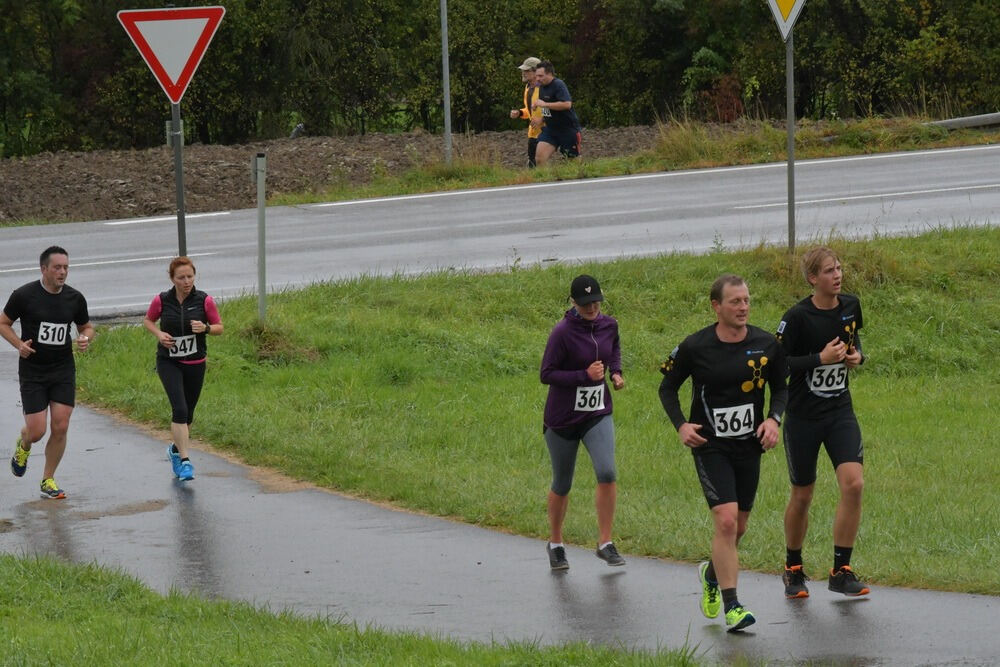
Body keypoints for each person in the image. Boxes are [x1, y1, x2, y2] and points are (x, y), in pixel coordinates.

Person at [658, 274, 786, 632]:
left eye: (746, 300)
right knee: (726, 520)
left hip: (749, 445)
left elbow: (781, 388)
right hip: (710, 445)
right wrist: (682, 425)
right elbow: (667, 388)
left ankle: (711, 574)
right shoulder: (695, 346)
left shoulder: (766, 344)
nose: (743, 307)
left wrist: (774, 420)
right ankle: (733, 607)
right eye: (735, 302)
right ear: (716, 307)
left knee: (739, 526)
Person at [776, 247, 870, 599]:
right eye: (829, 270)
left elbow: (854, 340)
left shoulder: (851, 305)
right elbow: (778, 365)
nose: (837, 275)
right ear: (813, 278)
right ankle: (793, 569)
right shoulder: (797, 317)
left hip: (839, 412)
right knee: (803, 494)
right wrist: (819, 358)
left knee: (854, 484)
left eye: (840, 268)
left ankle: (841, 571)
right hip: (803, 417)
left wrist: (856, 356)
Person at [540, 274, 626, 570]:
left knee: (607, 471)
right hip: (562, 419)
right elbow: (546, 374)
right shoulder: (562, 333)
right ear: (573, 303)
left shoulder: (609, 325)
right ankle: (556, 543)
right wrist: (582, 376)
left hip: (597, 413)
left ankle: (605, 542)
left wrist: (615, 372)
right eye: (586, 303)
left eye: (596, 302)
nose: (592, 308)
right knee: (562, 483)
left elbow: (613, 350)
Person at [0, 246, 94, 499]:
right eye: (57, 268)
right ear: (44, 269)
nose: (62, 272)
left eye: (65, 267)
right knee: (37, 430)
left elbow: (86, 326)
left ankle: (48, 479)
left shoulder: (75, 298)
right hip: (33, 371)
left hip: (63, 368)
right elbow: (3, 323)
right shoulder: (24, 295)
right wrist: (18, 345)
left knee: (61, 426)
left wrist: (85, 338)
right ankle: (24, 443)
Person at [142, 257, 223, 481]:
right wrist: (159, 334)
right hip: (169, 361)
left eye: (190, 276)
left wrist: (205, 328)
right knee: (179, 409)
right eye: (181, 278)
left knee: (188, 415)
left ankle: (175, 449)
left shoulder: (204, 300)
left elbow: (219, 327)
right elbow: (148, 321)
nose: (186, 281)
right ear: (172, 279)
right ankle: (185, 461)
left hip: (195, 363)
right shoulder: (162, 300)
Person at [532, 61, 582, 166]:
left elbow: (567, 104)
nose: (537, 79)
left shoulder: (558, 84)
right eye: (536, 76)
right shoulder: (541, 87)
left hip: (567, 129)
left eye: (540, 76)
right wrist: (541, 119)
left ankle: (581, 179)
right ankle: (545, 180)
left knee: (573, 163)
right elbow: (546, 108)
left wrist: (545, 104)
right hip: (551, 129)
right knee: (539, 159)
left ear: (550, 74)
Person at [509, 57, 544, 168]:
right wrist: (519, 113)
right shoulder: (528, 88)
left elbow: (555, 109)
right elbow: (530, 111)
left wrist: (542, 120)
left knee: (569, 156)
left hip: (548, 131)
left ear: (536, 72)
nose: (523, 73)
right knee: (533, 164)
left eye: (527, 70)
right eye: (523, 70)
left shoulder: (545, 88)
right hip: (533, 133)